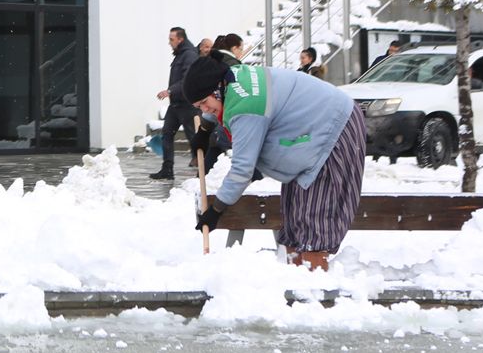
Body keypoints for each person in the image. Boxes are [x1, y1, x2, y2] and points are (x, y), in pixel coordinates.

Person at [185, 51, 366, 271]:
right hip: (312, 127)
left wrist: (216, 210)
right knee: (294, 225)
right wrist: (204, 129)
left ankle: (314, 285)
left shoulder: (245, 108)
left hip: (334, 127)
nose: (205, 109)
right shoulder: (231, 78)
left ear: (217, 89)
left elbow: (242, 170)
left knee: (313, 226)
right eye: (199, 107)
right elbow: (214, 105)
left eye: (204, 103)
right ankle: (295, 280)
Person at [150, 26, 199, 180]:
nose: (169, 42)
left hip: (187, 104)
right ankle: (167, 169)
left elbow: (187, 79)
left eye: (172, 39)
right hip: (176, 104)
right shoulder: (180, 55)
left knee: (194, 138)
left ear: (180, 39)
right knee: (167, 134)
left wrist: (170, 91)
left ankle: (205, 169)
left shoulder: (189, 55)